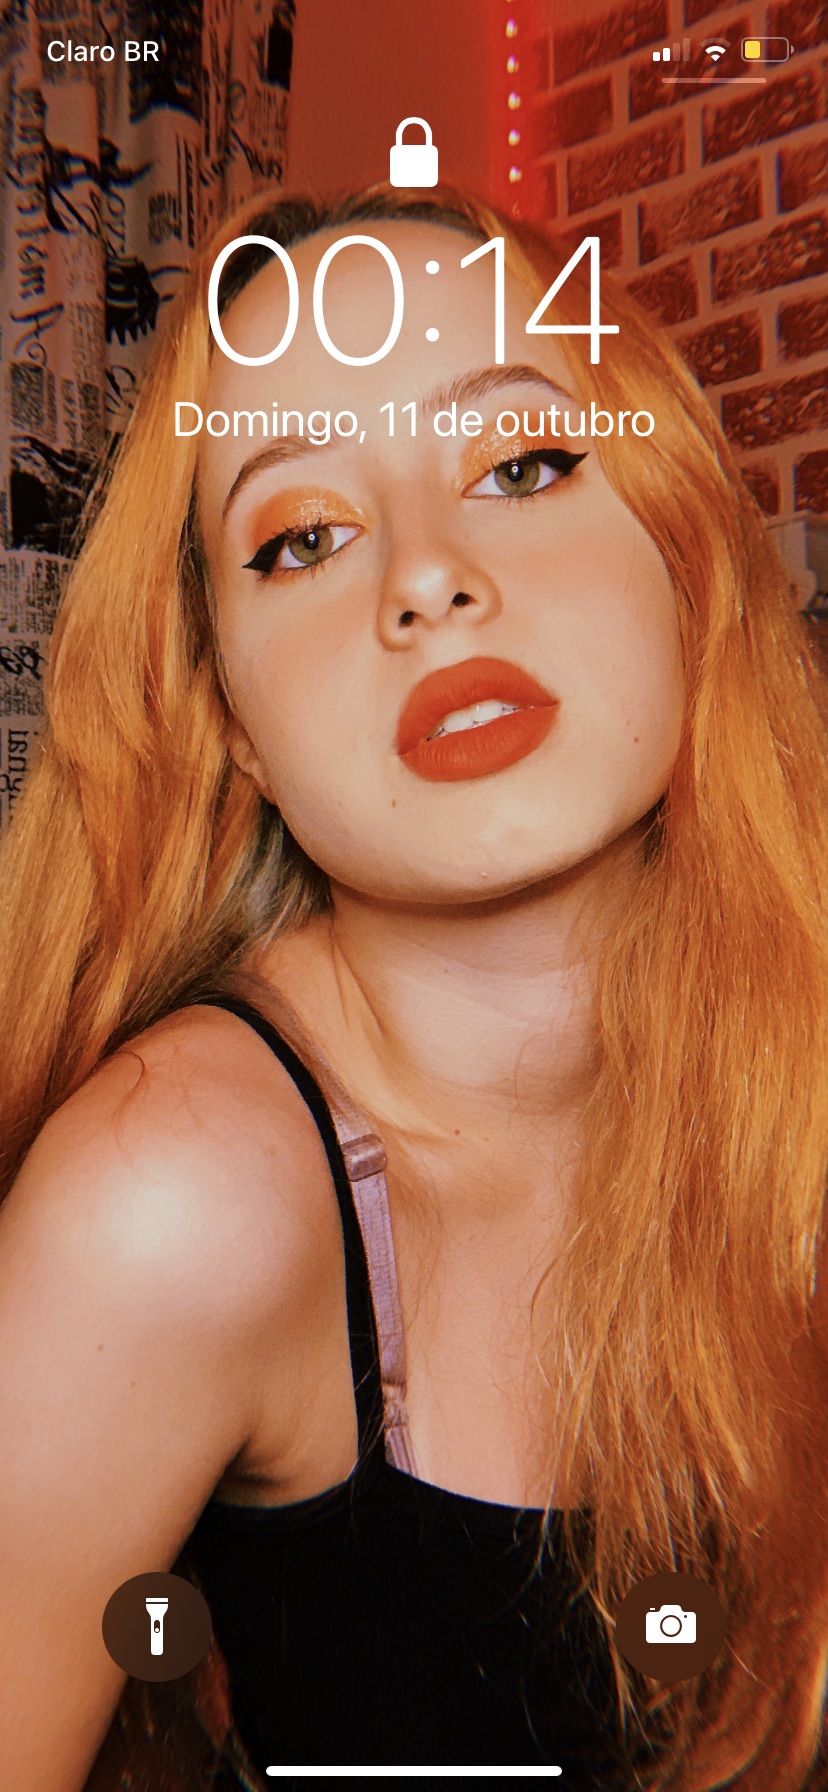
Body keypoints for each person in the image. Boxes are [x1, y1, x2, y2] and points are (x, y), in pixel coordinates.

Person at [0, 183, 827, 1792]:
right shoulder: (173, 1199)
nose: (427, 578)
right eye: (303, 537)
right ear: (233, 723)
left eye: (522, 465)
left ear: (680, 546)